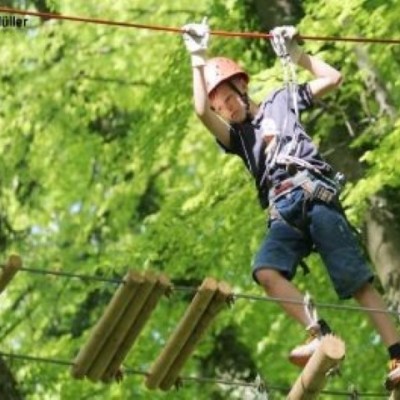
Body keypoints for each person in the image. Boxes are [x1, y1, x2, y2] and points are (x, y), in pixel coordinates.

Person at [181, 19, 400, 388]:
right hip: (283, 214)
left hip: (316, 198)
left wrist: (298, 55)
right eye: (222, 105)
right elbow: (201, 111)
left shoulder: (282, 101)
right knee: (266, 271)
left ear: (242, 85)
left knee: (355, 279)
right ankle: (318, 333)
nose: (228, 107)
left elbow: (333, 78)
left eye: (230, 97)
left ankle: (397, 353)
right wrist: (197, 58)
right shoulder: (238, 138)